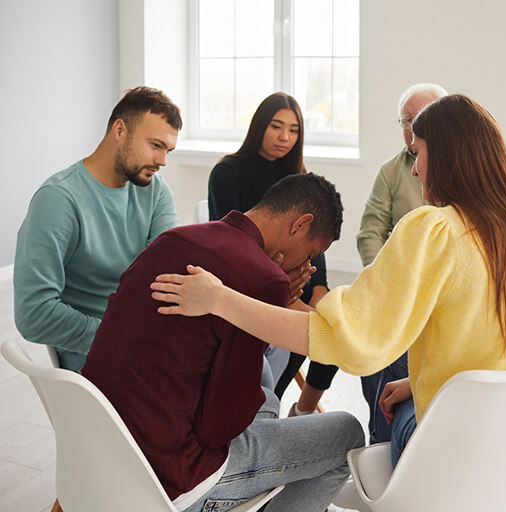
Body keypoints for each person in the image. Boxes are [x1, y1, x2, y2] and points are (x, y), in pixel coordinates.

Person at [151, 94, 506, 511]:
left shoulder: (435, 229)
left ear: (448, 156)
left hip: (456, 464)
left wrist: (221, 299)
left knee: (369, 417)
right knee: (400, 389)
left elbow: (346, 340)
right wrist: (419, 383)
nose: (414, 171)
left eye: (418, 153)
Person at [82, 173, 364, 512]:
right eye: (312, 253)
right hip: (176, 480)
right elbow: (218, 428)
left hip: (102, 458)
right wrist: (273, 291)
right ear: (300, 224)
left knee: (267, 395)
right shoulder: (264, 279)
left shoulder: (174, 239)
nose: (307, 266)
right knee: (347, 434)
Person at [14, 86, 181, 371]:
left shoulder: (155, 191)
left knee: (248, 371)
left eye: (168, 150)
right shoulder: (59, 199)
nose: (163, 161)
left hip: (150, 343)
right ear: (119, 131)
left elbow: (169, 274)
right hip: (104, 361)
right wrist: (122, 337)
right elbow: (34, 313)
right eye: (155, 145)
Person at [207, 92, 336, 411]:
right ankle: (265, 405)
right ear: (259, 126)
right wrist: (288, 294)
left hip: (298, 280)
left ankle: (302, 409)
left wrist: (319, 288)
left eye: (293, 130)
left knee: (333, 330)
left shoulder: (300, 178)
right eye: (276, 126)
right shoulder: (226, 173)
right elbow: (228, 241)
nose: (285, 137)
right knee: (307, 334)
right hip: (253, 282)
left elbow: (314, 241)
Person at [356, 82, 447, 443]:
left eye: (421, 118)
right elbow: (370, 233)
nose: (413, 127)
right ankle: (380, 430)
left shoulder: (459, 177)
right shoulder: (392, 171)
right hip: (397, 286)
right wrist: (386, 283)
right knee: (370, 336)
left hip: (435, 295)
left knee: (394, 347)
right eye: (407, 120)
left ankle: (387, 437)